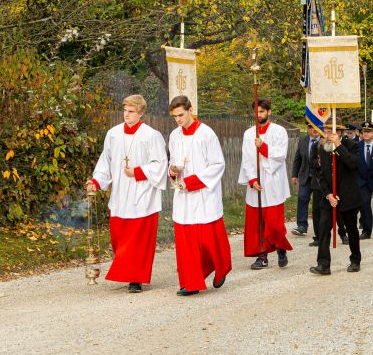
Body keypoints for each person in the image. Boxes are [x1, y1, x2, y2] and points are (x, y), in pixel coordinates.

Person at [86, 94, 168, 294]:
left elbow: (160, 164)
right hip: (121, 195)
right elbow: (106, 161)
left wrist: (138, 172)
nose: (127, 115)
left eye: (131, 111)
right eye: (125, 110)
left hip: (143, 196)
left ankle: (136, 279)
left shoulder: (151, 135)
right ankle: (127, 272)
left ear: (141, 113)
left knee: (139, 241)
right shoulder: (113, 134)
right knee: (119, 238)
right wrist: (96, 181)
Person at [167, 95, 232, 296]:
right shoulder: (174, 135)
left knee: (209, 239)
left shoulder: (206, 134)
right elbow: (173, 161)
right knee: (186, 241)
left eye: (181, 115)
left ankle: (221, 266)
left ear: (190, 110)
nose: (178, 120)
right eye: (174, 116)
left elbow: (217, 164)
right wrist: (172, 172)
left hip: (203, 194)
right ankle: (191, 281)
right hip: (183, 196)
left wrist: (193, 181)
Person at [239, 98, 293, 270]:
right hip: (256, 184)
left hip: (273, 182)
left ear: (269, 112)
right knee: (257, 223)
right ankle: (262, 256)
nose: (258, 115)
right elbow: (246, 159)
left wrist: (262, 146)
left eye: (261, 111)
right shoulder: (248, 133)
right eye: (256, 112)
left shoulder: (279, 131)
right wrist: (252, 179)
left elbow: (280, 155)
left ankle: (280, 246)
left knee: (274, 223)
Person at [309, 127, 362, 275]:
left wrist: (339, 145)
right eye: (325, 131)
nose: (327, 135)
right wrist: (328, 194)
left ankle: (355, 260)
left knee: (351, 229)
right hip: (329, 197)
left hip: (348, 195)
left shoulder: (352, 145)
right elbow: (319, 174)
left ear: (339, 132)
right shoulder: (322, 148)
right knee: (324, 229)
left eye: (330, 131)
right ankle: (323, 264)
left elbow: (353, 164)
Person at [290, 124, 321, 239]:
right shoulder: (303, 140)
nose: (315, 129)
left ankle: (320, 227)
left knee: (318, 204)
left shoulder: (324, 140)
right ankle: (302, 226)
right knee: (302, 199)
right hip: (305, 176)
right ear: (308, 130)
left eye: (316, 127)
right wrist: (294, 175)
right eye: (311, 127)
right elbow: (297, 158)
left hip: (319, 178)